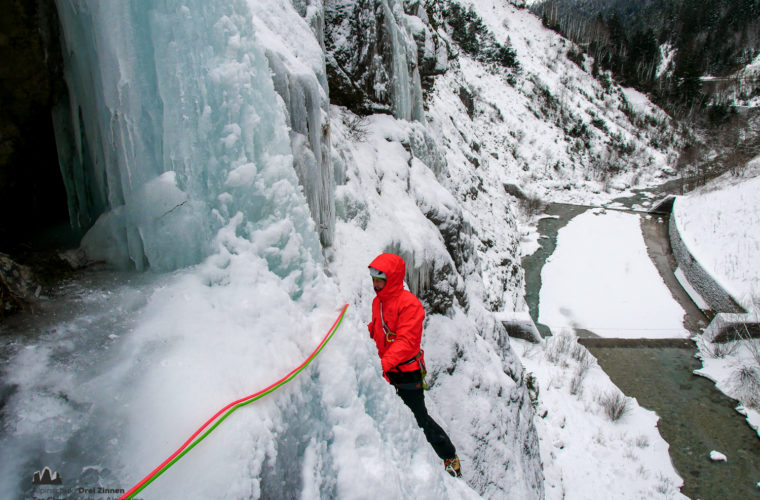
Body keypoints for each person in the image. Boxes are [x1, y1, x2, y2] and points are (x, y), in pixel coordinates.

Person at [367, 252, 462, 478]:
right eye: (373, 279)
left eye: (379, 279)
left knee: (419, 418)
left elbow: (407, 343)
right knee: (392, 413)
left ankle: (448, 456)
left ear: (391, 278)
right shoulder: (377, 302)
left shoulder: (410, 304)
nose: (375, 284)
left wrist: (382, 363)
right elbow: (376, 329)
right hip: (386, 369)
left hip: (407, 373)